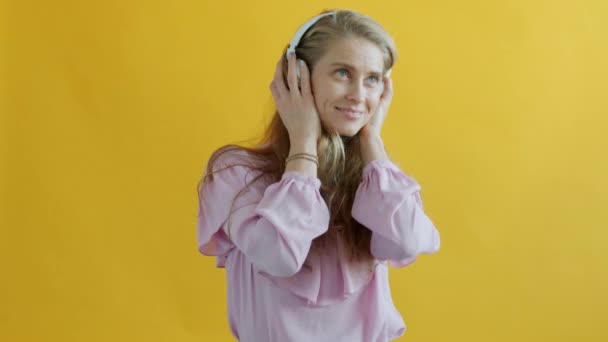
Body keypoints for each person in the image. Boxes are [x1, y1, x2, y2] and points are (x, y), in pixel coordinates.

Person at [197, 9, 440, 342]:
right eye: (343, 72)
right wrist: (302, 143)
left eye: (372, 79)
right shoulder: (237, 173)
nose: (359, 95)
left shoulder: (374, 183)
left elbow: (408, 241)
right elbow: (279, 257)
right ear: (296, 78)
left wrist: (372, 139)